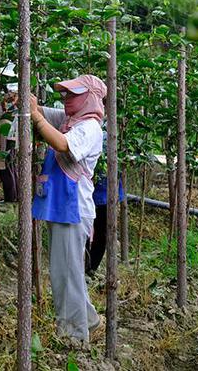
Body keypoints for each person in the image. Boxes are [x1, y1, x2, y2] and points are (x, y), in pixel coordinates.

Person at [28, 74, 107, 345]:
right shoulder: (70, 120)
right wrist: (32, 107)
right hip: (63, 206)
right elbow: (42, 112)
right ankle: (88, 317)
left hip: (73, 209)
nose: (67, 99)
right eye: (66, 94)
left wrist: (37, 119)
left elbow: (63, 144)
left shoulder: (90, 128)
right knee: (67, 270)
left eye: (74, 94)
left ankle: (74, 333)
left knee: (66, 273)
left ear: (91, 98)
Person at [86, 129, 125, 276]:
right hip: (87, 190)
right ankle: (86, 266)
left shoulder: (113, 128)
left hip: (106, 191)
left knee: (101, 232)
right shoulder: (89, 123)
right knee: (86, 231)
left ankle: (91, 268)